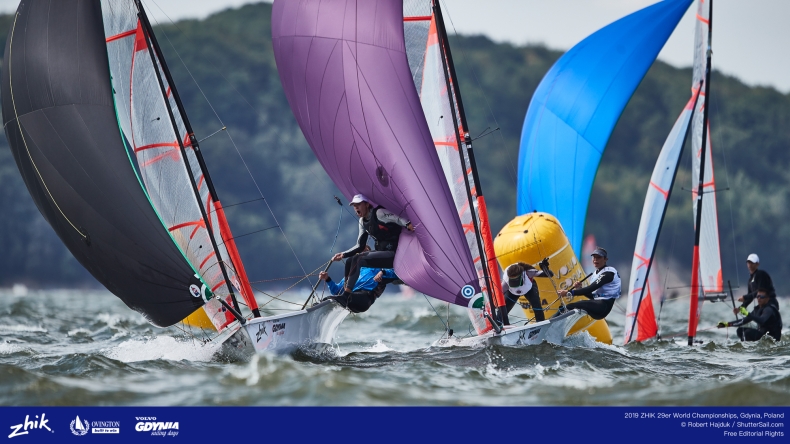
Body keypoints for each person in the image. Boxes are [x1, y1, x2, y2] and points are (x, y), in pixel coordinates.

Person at [332, 194, 414, 294]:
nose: (356, 207)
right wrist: (343, 254)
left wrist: (407, 224)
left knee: (359, 259)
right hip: (383, 255)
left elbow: (397, 218)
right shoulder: (362, 221)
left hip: (394, 254)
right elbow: (360, 246)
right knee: (350, 260)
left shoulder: (379, 213)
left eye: (358, 204)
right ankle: (345, 290)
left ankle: (347, 294)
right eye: (354, 206)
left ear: (367, 204)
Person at [556, 247, 621, 320]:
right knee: (569, 307)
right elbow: (593, 296)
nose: (595, 260)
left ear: (605, 259)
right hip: (598, 305)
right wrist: (579, 288)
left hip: (603, 307)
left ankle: (552, 324)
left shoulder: (608, 273)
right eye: (594, 257)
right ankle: (555, 324)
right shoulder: (596, 273)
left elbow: (590, 288)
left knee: (569, 307)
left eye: (599, 257)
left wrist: (568, 292)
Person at [318, 267, 398, 313]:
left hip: (365, 299)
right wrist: (327, 279)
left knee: (336, 298)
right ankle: (317, 309)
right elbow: (336, 290)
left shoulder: (376, 270)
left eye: (367, 252)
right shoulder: (353, 273)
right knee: (332, 299)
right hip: (350, 299)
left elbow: (396, 273)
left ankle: (320, 306)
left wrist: (382, 272)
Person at [718, 288, 782, 341]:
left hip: (772, 337)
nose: (759, 298)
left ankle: (747, 350)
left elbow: (762, 320)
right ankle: (744, 349)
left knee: (748, 332)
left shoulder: (769, 309)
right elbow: (743, 321)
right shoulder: (757, 309)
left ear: (768, 298)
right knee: (740, 330)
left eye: (762, 297)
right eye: (757, 296)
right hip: (762, 335)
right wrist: (726, 324)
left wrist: (748, 314)